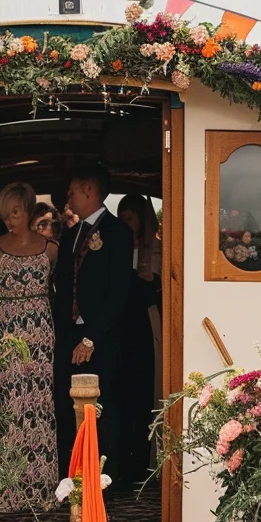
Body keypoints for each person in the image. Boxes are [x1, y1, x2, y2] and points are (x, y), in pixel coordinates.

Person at [0, 183, 59, 512]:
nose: (10, 219)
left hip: (41, 336)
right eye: (5, 213)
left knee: (40, 410)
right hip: (6, 340)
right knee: (12, 413)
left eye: (15, 211)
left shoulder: (51, 249)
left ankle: (41, 490)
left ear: (27, 208)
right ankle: (9, 492)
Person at [53, 164, 134, 486]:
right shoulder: (71, 233)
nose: (68, 196)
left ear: (89, 190)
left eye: (72, 190)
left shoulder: (117, 232)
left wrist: (92, 339)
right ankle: (70, 477)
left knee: (102, 408)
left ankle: (104, 479)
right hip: (68, 331)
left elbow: (119, 292)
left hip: (102, 336)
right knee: (65, 403)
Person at [117, 194, 162, 485]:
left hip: (146, 321)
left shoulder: (156, 250)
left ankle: (144, 461)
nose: (126, 223)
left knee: (145, 390)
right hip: (121, 323)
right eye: (122, 217)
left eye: (131, 217)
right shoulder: (117, 247)